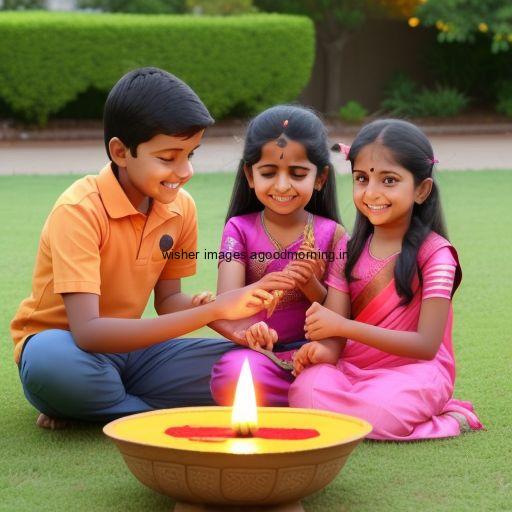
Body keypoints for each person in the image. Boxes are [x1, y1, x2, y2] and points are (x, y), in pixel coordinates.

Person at [10, 67, 286, 429]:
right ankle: (134, 413)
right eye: (168, 157)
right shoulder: (79, 210)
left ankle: (96, 407)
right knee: (53, 364)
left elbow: (168, 301)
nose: (185, 170)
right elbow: (89, 332)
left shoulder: (180, 207)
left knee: (250, 363)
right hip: (70, 350)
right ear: (121, 152)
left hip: (132, 354)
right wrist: (210, 311)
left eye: (191, 153)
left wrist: (231, 322)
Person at [289, 119, 483, 440]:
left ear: (421, 190)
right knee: (304, 393)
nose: (372, 193)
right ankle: (361, 411)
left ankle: (450, 419)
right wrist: (323, 350)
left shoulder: (436, 255)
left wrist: (342, 328)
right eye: (361, 179)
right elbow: (335, 330)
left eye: (389, 180)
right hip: (352, 369)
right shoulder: (347, 248)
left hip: (415, 372)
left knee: (380, 413)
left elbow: (425, 345)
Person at [209, 105, 345, 406]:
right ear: (250, 175)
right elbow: (227, 303)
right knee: (232, 376)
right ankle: (308, 402)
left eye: (297, 174)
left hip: (315, 353)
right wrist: (249, 329)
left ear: (320, 178)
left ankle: (308, 396)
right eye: (269, 173)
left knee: (321, 380)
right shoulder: (238, 229)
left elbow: (338, 317)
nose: (282, 186)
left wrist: (310, 284)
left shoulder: (333, 235)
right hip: (258, 354)